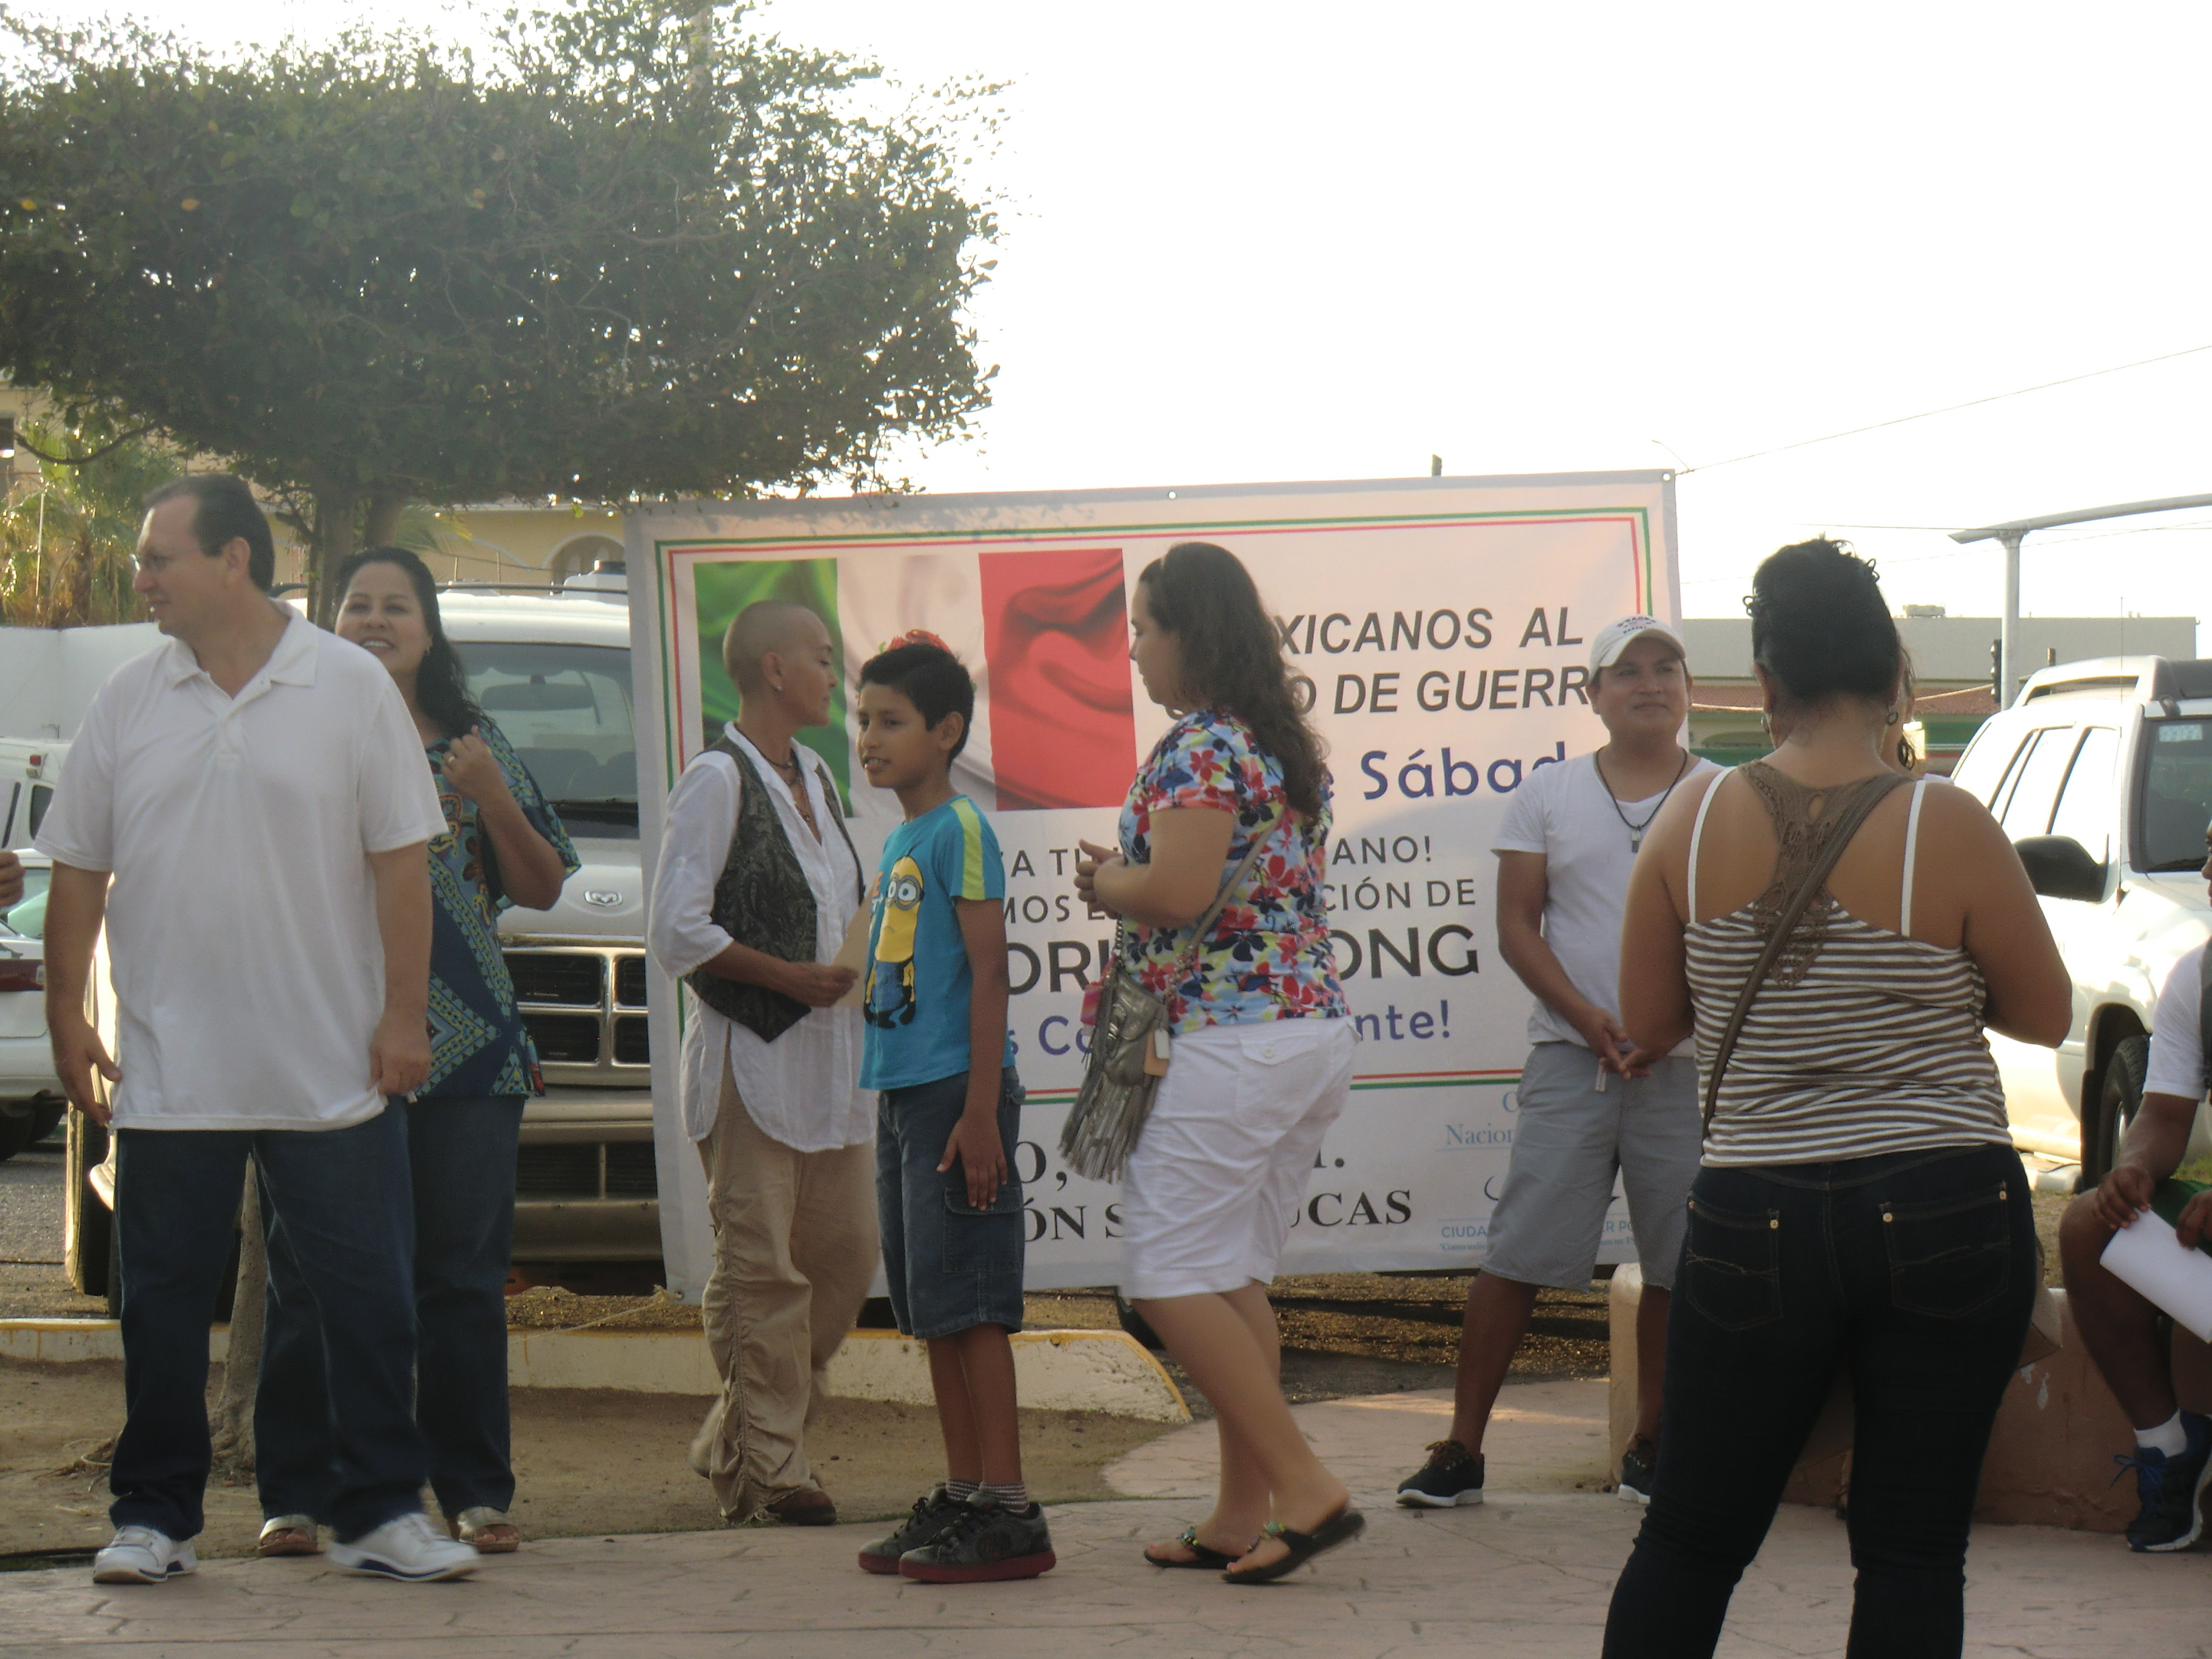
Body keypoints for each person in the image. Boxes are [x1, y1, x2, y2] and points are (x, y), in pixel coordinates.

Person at [1600, 539, 2071, 1657]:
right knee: (1911, 1549)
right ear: (1895, 673)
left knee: (1689, 1538)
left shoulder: (1686, 825)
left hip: (1751, 1211)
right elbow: (2046, 1013)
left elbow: (1649, 1024)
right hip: (1947, 1200)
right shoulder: (1945, 823)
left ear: (1765, 680)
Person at [38, 476, 480, 1584]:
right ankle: (155, 1519)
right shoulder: (128, 699)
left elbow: (402, 868)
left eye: (159, 557)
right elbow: (78, 870)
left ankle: (379, 1514)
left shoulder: (349, 687)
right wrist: (66, 1015)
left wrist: (404, 1019)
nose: (141, 577)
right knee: (160, 1309)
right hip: (170, 1072)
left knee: (368, 1303)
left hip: (333, 1067)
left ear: (233, 559)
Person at [252, 546, 580, 1558]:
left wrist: (493, 796)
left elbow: (542, 887)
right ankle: (298, 1494)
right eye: (358, 604)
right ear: (329, 623)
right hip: (327, 1041)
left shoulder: (475, 745)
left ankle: (474, 1491)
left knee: (460, 1280)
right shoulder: (290, 736)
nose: (376, 620)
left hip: (471, 1055)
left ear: (429, 631)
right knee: (309, 1274)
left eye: (398, 606)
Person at [1074, 542, 1362, 1586]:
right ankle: (1242, 1513)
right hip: (1298, 1035)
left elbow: (1180, 891)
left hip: (1230, 1043)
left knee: (1165, 1276)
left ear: (1191, 634)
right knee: (1230, 1276)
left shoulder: (1200, 747)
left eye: (1145, 628)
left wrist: (1108, 884)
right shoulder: (1272, 744)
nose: (1135, 650)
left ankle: (1306, 1486)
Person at [1397, 616, 1715, 1513]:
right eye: (1628, 672)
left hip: (1684, 1068)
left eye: (1665, 668)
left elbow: (1741, 933)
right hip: (1573, 1063)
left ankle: (1651, 1448)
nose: (1650, 684)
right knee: (1517, 1254)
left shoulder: (1726, 795)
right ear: (1593, 695)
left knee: (1680, 1263)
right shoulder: (1548, 792)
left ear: (1689, 688)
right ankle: (1462, 1450)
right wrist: (1587, 1019)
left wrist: (1667, 1028)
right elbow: (1515, 926)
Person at [645, 601, 876, 1527]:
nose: (833, 674)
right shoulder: (715, 779)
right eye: (822, 657)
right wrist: (783, 975)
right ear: (775, 670)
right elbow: (675, 931)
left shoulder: (815, 774)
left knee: (844, 1261)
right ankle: (773, 1473)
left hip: (832, 1063)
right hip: (751, 1064)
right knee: (761, 1275)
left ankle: (735, 1433)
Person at [851, 634, 1053, 1583]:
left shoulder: (960, 830)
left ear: (947, 731)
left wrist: (980, 1113)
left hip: (953, 1095)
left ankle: (1009, 1508)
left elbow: (990, 973)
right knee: (932, 1309)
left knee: (972, 1305)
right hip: (903, 1093)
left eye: (890, 722)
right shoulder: (901, 837)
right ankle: (965, 1493)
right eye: (863, 720)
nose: (869, 738)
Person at [2059, 817, 2212, 1552]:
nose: (2208, 873)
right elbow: (2166, 1113)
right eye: (2209, 852)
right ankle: (2172, 1450)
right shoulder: (2199, 976)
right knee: (2091, 1223)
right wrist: (2135, 1167)